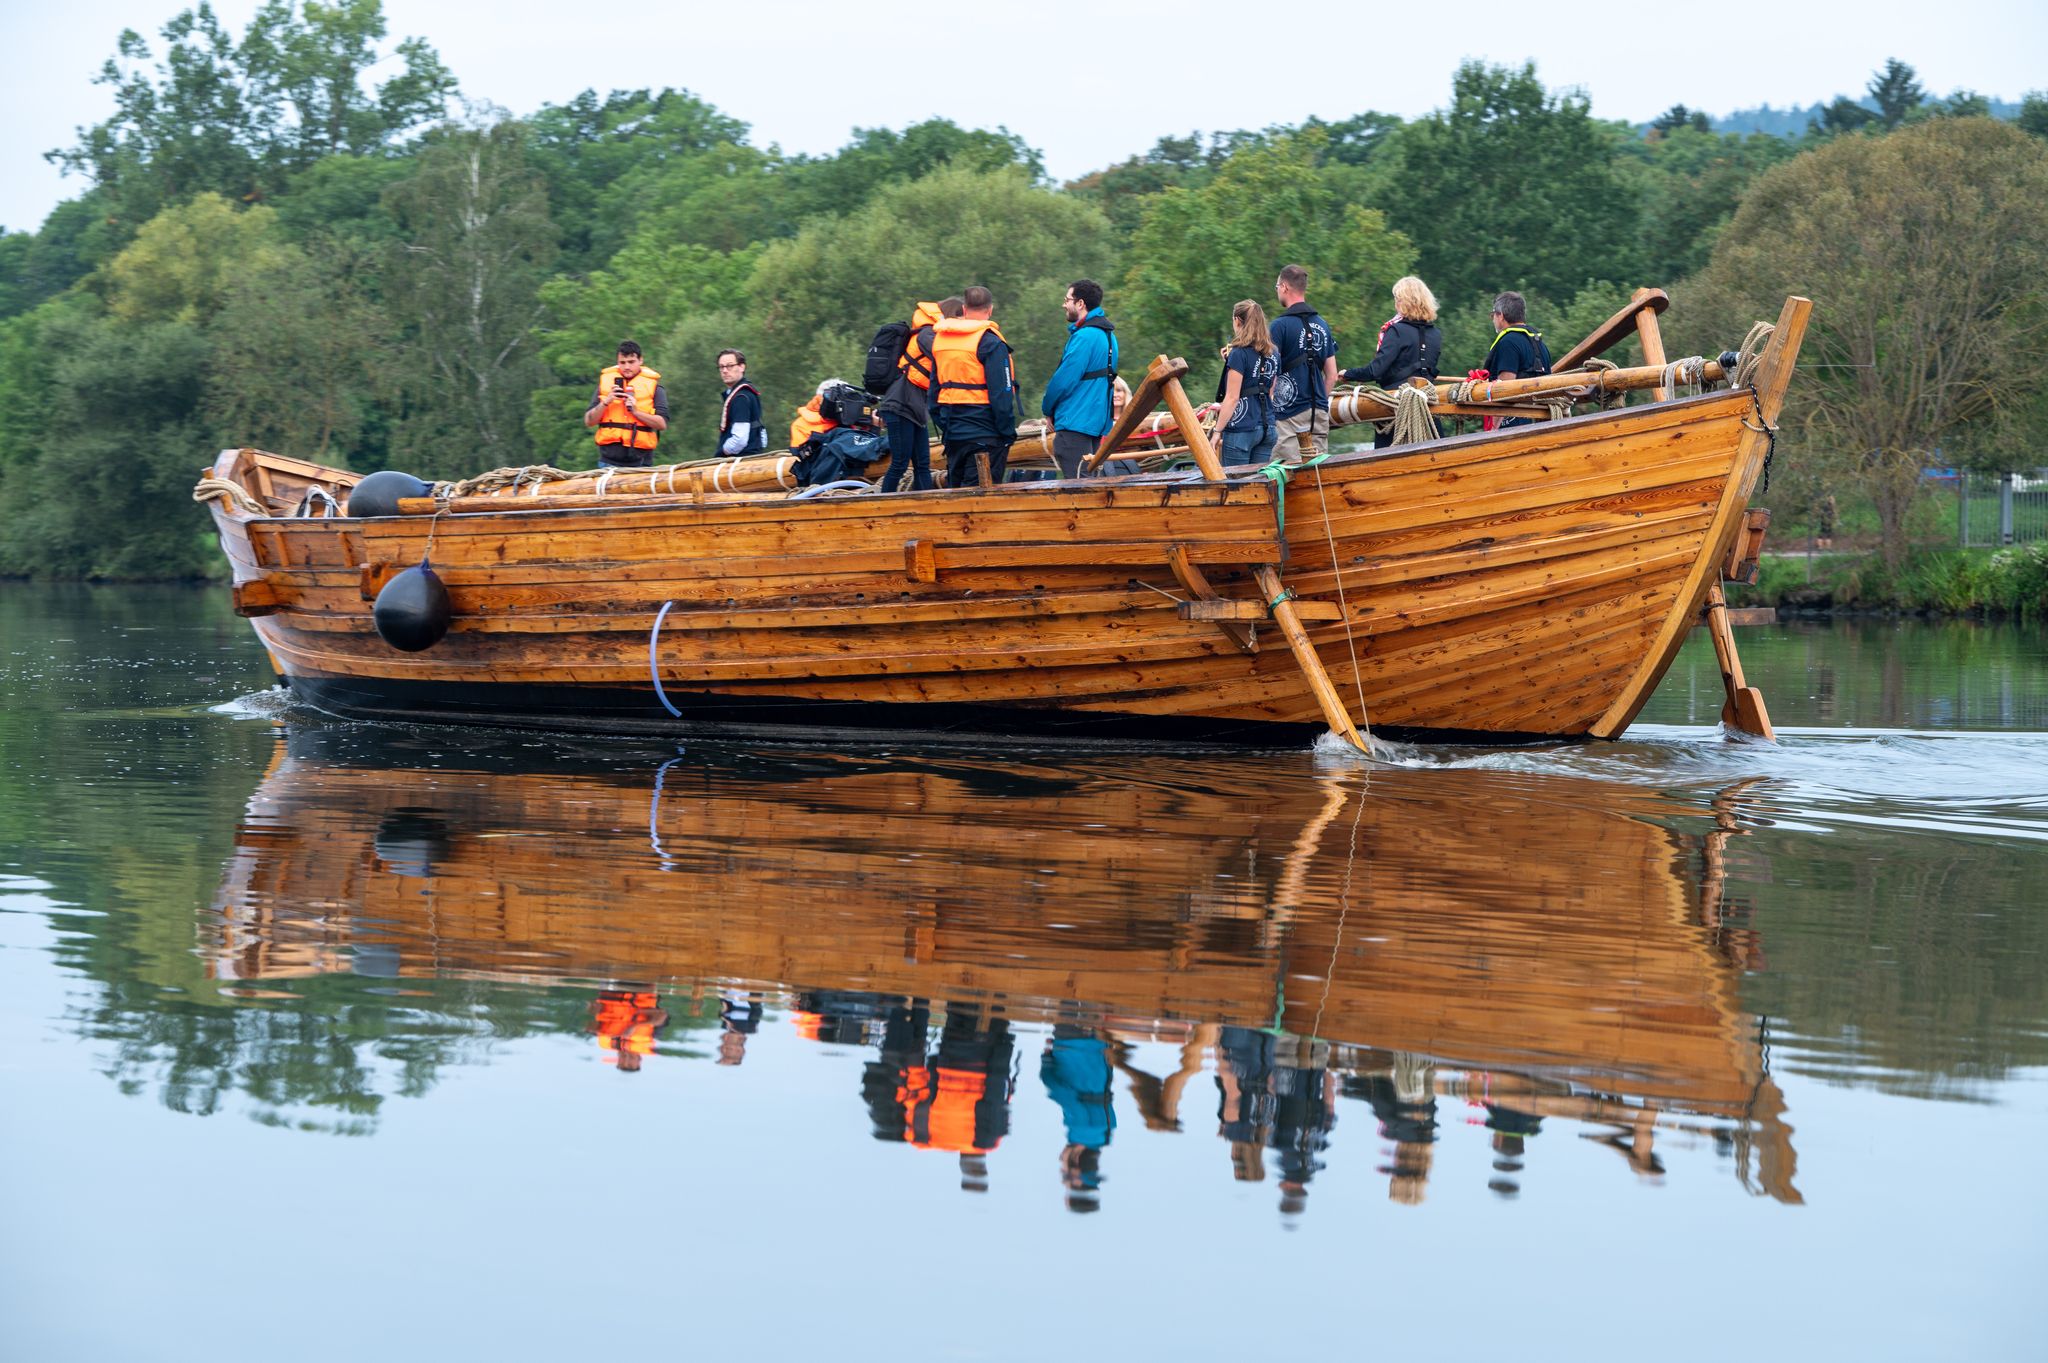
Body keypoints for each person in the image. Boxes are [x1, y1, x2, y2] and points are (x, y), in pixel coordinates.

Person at [1340, 276, 1445, 448]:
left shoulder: (1396, 331)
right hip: (1427, 408)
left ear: (1404, 301)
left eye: (1397, 299)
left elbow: (1376, 370)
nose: (1395, 304)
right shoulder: (1436, 334)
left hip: (1396, 409)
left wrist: (1348, 374)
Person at [931, 285, 1018, 487]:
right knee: (982, 502)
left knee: (956, 500)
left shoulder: (941, 341)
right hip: (986, 436)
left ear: (964, 308)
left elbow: (933, 394)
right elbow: (1001, 395)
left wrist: (946, 425)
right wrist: (1007, 434)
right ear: (990, 310)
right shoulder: (990, 342)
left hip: (953, 435)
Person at [876, 297, 960, 493]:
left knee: (922, 464)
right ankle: (881, 507)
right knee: (900, 463)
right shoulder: (926, 334)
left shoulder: (933, 334)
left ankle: (926, 505)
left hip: (915, 409)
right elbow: (945, 356)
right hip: (899, 406)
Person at [1040, 279, 1119, 478]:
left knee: (1078, 488)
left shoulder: (1085, 336)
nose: (1064, 304)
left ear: (1080, 303)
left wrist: (1048, 408)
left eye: (1067, 300)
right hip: (1095, 423)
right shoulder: (1109, 335)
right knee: (1089, 484)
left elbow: (1063, 380)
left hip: (1075, 421)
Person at [1269, 264, 1338, 463]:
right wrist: (1319, 401)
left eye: (1277, 287)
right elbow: (1332, 374)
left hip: (1288, 416)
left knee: (1286, 472)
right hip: (1319, 412)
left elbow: (1270, 374)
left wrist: (1270, 406)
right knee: (1319, 473)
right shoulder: (1322, 325)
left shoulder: (1278, 326)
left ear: (1284, 287)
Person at [1214, 299, 1278, 467]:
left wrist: (1217, 431)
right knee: (1257, 486)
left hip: (1242, 429)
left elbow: (1232, 398)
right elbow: (1269, 391)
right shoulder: (1274, 353)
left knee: (1237, 485)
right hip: (1267, 428)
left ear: (1237, 320)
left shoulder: (1239, 354)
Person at [585, 340, 669, 468]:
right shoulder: (605, 386)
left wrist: (635, 412)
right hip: (609, 462)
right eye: (622, 363)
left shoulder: (655, 388)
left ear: (640, 360)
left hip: (641, 462)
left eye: (631, 362)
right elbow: (589, 421)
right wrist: (606, 402)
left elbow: (662, 424)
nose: (626, 367)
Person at [1482, 291, 1552, 429]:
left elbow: (1505, 388)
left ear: (1500, 315)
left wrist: (1493, 429)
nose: (1493, 320)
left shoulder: (1507, 342)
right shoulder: (1540, 344)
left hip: (1514, 424)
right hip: (1541, 422)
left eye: (1493, 315)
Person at [715, 349, 766, 457]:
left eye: (730, 366)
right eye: (721, 367)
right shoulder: (746, 392)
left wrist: (721, 453)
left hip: (741, 460)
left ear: (742, 367)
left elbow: (740, 439)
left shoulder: (740, 397)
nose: (725, 371)